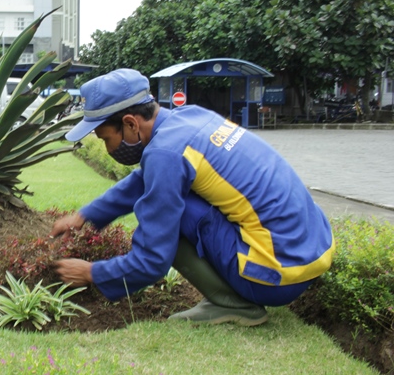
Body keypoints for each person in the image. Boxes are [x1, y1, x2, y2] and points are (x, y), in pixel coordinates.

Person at [51, 69, 333, 326]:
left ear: (130, 123)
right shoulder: (190, 118)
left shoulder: (166, 154)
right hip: (311, 251)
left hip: (277, 277)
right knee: (168, 199)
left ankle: (233, 304)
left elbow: (152, 259)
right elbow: (145, 179)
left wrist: (93, 273)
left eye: (104, 138)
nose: (107, 147)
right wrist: (85, 216)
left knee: (173, 213)